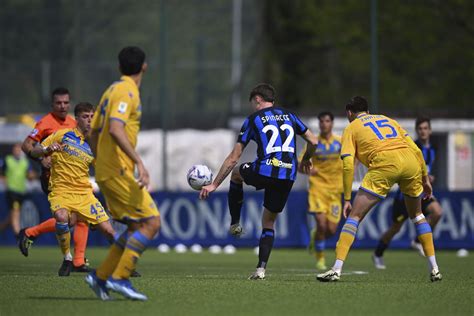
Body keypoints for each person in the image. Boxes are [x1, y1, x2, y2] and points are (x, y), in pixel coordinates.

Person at [199, 83, 319, 280]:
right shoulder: (290, 115)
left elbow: (233, 157)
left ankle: (235, 223)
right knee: (269, 222)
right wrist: (306, 158)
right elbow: (314, 141)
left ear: (257, 99)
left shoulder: (253, 119)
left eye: (252, 103)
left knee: (237, 173)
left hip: (266, 169)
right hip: (288, 174)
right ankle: (261, 269)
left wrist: (213, 185)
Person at [317, 96, 442, 282]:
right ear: (367, 110)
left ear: (349, 113)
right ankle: (435, 268)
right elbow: (416, 150)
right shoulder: (387, 119)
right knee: (417, 215)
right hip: (410, 163)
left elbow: (348, 165)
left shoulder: (351, 128)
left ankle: (336, 269)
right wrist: (425, 179)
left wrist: (348, 198)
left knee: (355, 216)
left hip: (384, 163)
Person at [85, 46, 160, 301]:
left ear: (119, 67)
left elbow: (94, 131)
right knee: (152, 222)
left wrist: (99, 160)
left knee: (134, 225)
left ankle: (101, 276)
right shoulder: (128, 91)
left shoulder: (110, 91)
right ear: (144, 67)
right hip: (118, 170)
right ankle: (121, 277)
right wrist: (139, 161)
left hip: (107, 170)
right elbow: (116, 129)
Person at [29, 102, 115, 277]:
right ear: (76, 119)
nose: (90, 120)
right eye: (85, 117)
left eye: (92, 117)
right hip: (61, 190)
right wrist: (46, 149)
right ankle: (67, 258)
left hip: (84, 194)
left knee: (109, 231)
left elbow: (102, 171)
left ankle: (123, 263)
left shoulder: (95, 145)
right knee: (61, 217)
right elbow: (34, 150)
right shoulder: (62, 135)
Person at [18, 88, 91, 273]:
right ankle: (31, 233)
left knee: (80, 219)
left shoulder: (74, 122)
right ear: (52, 105)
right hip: (54, 179)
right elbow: (27, 145)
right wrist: (42, 158)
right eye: (59, 103)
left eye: (66, 102)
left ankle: (78, 261)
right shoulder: (45, 123)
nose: (63, 106)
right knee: (69, 219)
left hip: (73, 180)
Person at [372, 117, 443, 269]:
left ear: (430, 130)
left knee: (437, 212)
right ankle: (378, 253)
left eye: (425, 128)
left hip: (422, 192)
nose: (423, 131)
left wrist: (429, 177)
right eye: (420, 129)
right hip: (404, 195)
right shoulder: (412, 146)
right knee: (395, 228)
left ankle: (418, 241)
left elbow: (427, 167)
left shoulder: (434, 148)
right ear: (417, 131)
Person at [298, 112, 343, 270]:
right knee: (322, 224)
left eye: (327, 121)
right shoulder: (313, 143)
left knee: (330, 230)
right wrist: (309, 171)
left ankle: (314, 236)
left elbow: (353, 159)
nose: (324, 124)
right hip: (318, 189)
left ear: (332, 123)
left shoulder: (340, 142)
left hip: (336, 191)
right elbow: (300, 166)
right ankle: (321, 259)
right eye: (321, 121)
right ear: (318, 124)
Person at [0, 144, 35, 236]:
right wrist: (4, 181)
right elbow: (2, 173)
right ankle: (18, 234)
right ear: (13, 150)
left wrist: (32, 176)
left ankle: (2, 227)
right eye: (16, 149)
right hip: (11, 190)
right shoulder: (8, 160)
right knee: (16, 210)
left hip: (21, 191)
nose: (17, 151)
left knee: (13, 213)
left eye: (19, 150)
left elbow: (30, 175)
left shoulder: (25, 162)